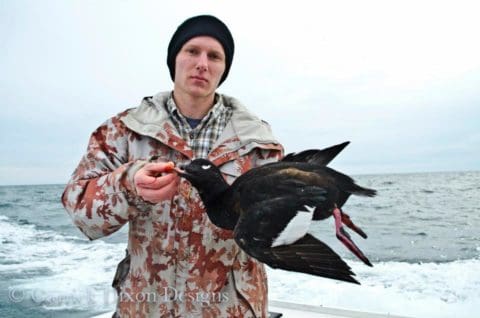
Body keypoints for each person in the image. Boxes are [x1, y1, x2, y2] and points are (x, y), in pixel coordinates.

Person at [62, 15, 284, 318]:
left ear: (223, 68)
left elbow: (279, 232)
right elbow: (79, 211)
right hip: (146, 308)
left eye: (214, 56)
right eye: (192, 51)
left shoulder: (259, 142)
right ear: (174, 59)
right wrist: (129, 187)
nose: (202, 63)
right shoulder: (124, 130)